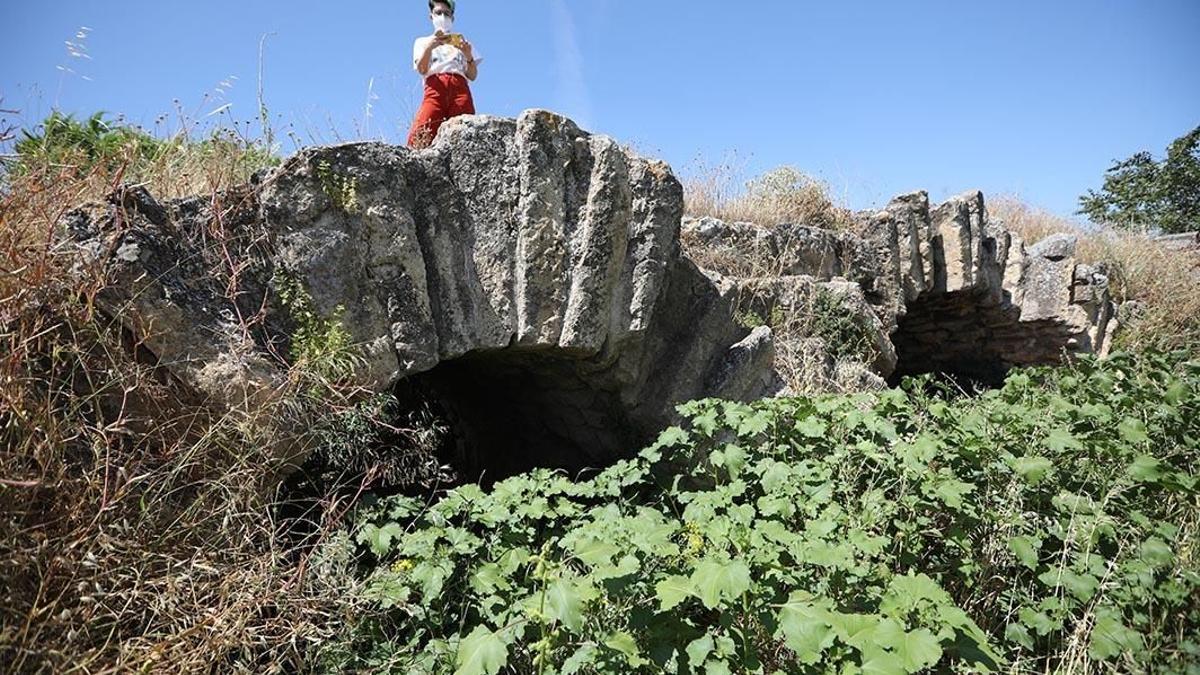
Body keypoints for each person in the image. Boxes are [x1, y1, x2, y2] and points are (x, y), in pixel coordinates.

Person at [407, 0, 481, 148]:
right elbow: (421, 69)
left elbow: (472, 75)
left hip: (460, 89)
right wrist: (430, 47)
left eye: (447, 14)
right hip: (435, 88)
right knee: (421, 132)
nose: (443, 16)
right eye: (438, 13)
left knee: (465, 134)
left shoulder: (461, 42)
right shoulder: (422, 42)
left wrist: (468, 55)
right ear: (431, 16)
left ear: (452, 18)